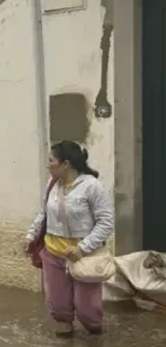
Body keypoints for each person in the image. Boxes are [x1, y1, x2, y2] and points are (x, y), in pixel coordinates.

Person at [24, 140, 114, 337]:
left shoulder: (92, 187)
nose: (48, 165)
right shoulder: (52, 185)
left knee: (87, 309)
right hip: (53, 252)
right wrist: (31, 235)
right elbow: (43, 213)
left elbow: (106, 223)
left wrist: (83, 247)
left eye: (51, 160)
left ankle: (94, 346)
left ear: (65, 164)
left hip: (84, 256)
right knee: (58, 305)